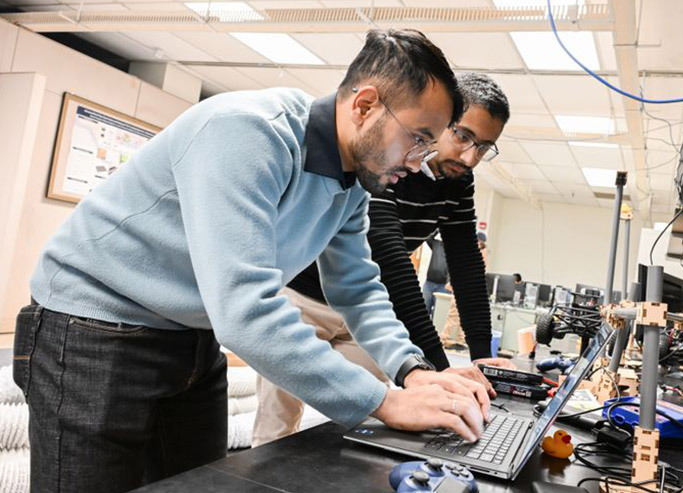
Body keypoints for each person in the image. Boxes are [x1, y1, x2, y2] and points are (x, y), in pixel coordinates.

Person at [13, 29, 493, 492]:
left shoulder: (355, 181)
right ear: (365, 105)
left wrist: (413, 370)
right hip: (90, 326)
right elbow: (245, 309)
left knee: (202, 485)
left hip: (189, 334)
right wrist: (383, 401)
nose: (417, 160)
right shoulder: (248, 131)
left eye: (428, 146)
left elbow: (357, 288)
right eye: (418, 137)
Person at [254, 72, 515, 446]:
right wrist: (442, 370)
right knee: (277, 424)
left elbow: (466, 263)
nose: (471, 157)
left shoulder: (459, 180)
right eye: (462, 136)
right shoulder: (389, 159)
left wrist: (480, 358)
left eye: (485, 147)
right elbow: (390, 260)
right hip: (304, 299)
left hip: (364, 309)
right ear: (442, 121)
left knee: (370, 422)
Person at [440, 231, 488, 349]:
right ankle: (443, 339)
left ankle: (461, 340)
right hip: (462, 287)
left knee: (464, 314)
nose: (478, 244)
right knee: (454, 314)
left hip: (469, 287)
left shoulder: (480, 254)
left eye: (480, 243)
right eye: (477, 241)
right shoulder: (469, 252)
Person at [422, 234, 450, 316]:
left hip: (443, 286)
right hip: (429, 283)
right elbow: (427, 237)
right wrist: (437, 228)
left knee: (438, 312)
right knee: (424, 308)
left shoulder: (454, 250)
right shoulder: (436, 244)